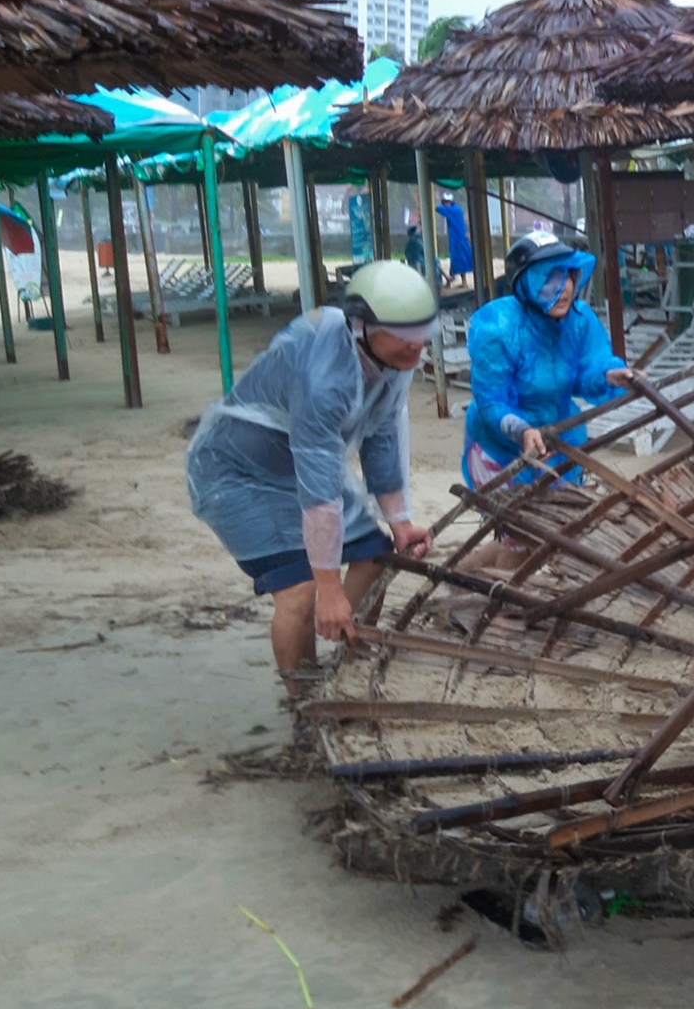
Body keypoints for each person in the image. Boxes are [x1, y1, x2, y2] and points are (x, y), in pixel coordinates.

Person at [186, 260, 439, 696]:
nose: (416, 351)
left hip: (295, 461)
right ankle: (304, 705)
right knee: (301, 592)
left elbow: (381, 435)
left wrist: (400, 522)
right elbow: (320, 494)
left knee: (376, 555)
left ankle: (349, 668)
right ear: (361, 326)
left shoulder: (396, 360)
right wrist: (329, 588)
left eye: (422, 338)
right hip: (237, 473)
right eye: (403, 339)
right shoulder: (322, 374)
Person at [459, 232, 636, 568]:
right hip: (501, 445)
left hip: (555, 438)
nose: (564, 287)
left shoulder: (579, 321)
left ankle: (459, 578)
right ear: (524, 283)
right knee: (523, 536)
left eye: (568, 275)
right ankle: (506, 611)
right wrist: (522, 431)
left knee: (546, 533)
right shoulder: (498, 328)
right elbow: (492, 400)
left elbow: (590, 367)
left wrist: (609, 375)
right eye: (550, 277)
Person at [437, 192, 473, 289]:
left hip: (458, 239)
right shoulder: (456, 210)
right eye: (444, 202)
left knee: (459, 259)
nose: (445, 204)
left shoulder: (454, 210)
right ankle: (451, 280)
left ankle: (462, 282)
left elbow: (438, 209)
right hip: (457, 238)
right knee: (456, 259)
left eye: (447, 202)